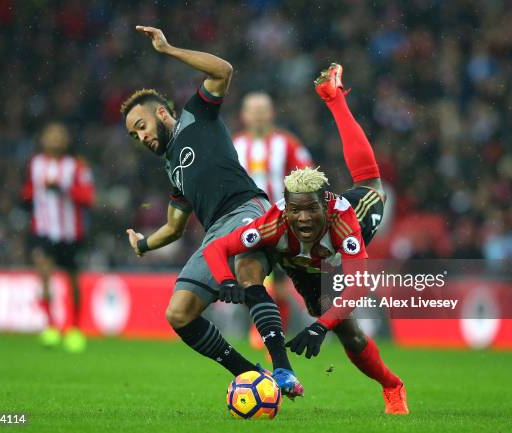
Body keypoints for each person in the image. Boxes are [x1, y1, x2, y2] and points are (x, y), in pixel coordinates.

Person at [203, 65, 408, 414]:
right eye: (296, 211)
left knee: (349, 332)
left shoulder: (343, 222)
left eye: (311, 210)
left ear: (324, 207)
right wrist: (225, 281)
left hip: (331, 255)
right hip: (286, 247)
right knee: (247, 263)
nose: (303, 217)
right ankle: (279, 362)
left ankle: (392, 386)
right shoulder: (274, 222)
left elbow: (357, 287)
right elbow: (216, 248)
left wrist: (320, 327)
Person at [121, 25, 302, 398]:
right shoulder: (172, 169)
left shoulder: (196, 115)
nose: (141, 138)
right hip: (216, 233)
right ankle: (251, 374)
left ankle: (283, 369)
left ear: (160, 112)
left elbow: (223, 70)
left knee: (249, 272)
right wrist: (144, 245)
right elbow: (174, 227)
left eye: (141, 126)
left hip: (248, 208)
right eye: (134, 136)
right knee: (179, 313)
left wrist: (168, 49)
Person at [234, 91, 313, 347]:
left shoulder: (287, 144)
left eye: (262, 111)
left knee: (280, 286)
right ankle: (262, 332)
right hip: (247, 224)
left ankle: (276, 334)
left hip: (283, 225)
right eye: (252, 112)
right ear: (244, 115)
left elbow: (308, 178)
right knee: (251, 278)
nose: (257, 117)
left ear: (271, 114)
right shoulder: (234, 146)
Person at [22, 122, 95, 353]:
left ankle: (73, 328)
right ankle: (51, 326)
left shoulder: (76, 166)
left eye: (59, 135)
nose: (55, 139)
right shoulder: (35, 164)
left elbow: (88, 197)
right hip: (43, 232)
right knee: (43, 273)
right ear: (42, 139)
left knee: (72, 282)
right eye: (50, 135)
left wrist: (64, 190)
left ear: (66, 141)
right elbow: (28, 193)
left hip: (70, 233)